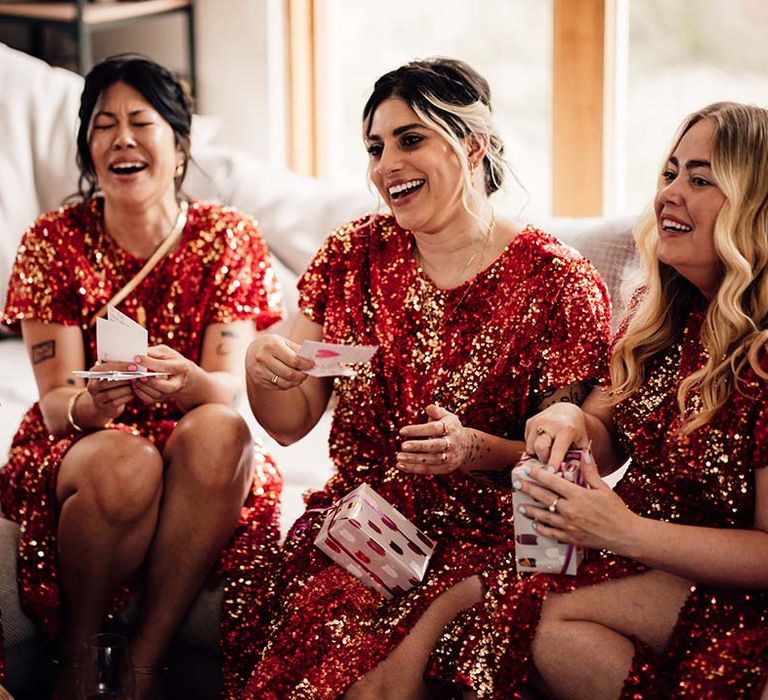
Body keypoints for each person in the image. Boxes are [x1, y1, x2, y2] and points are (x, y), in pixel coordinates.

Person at [241, 57, 611, 698]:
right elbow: (289, 422)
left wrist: (474, 449)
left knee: (386, 678)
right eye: (375, 148)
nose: (386, 165)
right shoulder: (353, 255)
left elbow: (573, 463)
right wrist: (261, 368)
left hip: (494, 536)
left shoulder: (558, 281)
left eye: (411, 139)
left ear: (474, 145)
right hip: (365, 522)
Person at [430, 101, 768, 699]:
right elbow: (606, 437)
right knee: (481, 597)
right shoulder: (658, 312)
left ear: (756, 205)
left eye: (700, 179)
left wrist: (624, 531)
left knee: (534, 617)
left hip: (724, 578)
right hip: (639, 550)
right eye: (669, 173)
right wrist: (571, 420)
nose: (670, 194)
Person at [0, 54, 283, 699]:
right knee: (126, 464)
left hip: (189, 427)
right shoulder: (52, 241)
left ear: (178, 146)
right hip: (83, 438)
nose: (121, 138)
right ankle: (75, 657)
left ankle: (145, 662)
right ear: (87, 150)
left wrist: (184, 383)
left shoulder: (227, 235)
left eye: (139, 121)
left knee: (223, 432)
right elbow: (55, 406)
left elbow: (222, 389)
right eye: (102, 126)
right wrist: (96, 406)